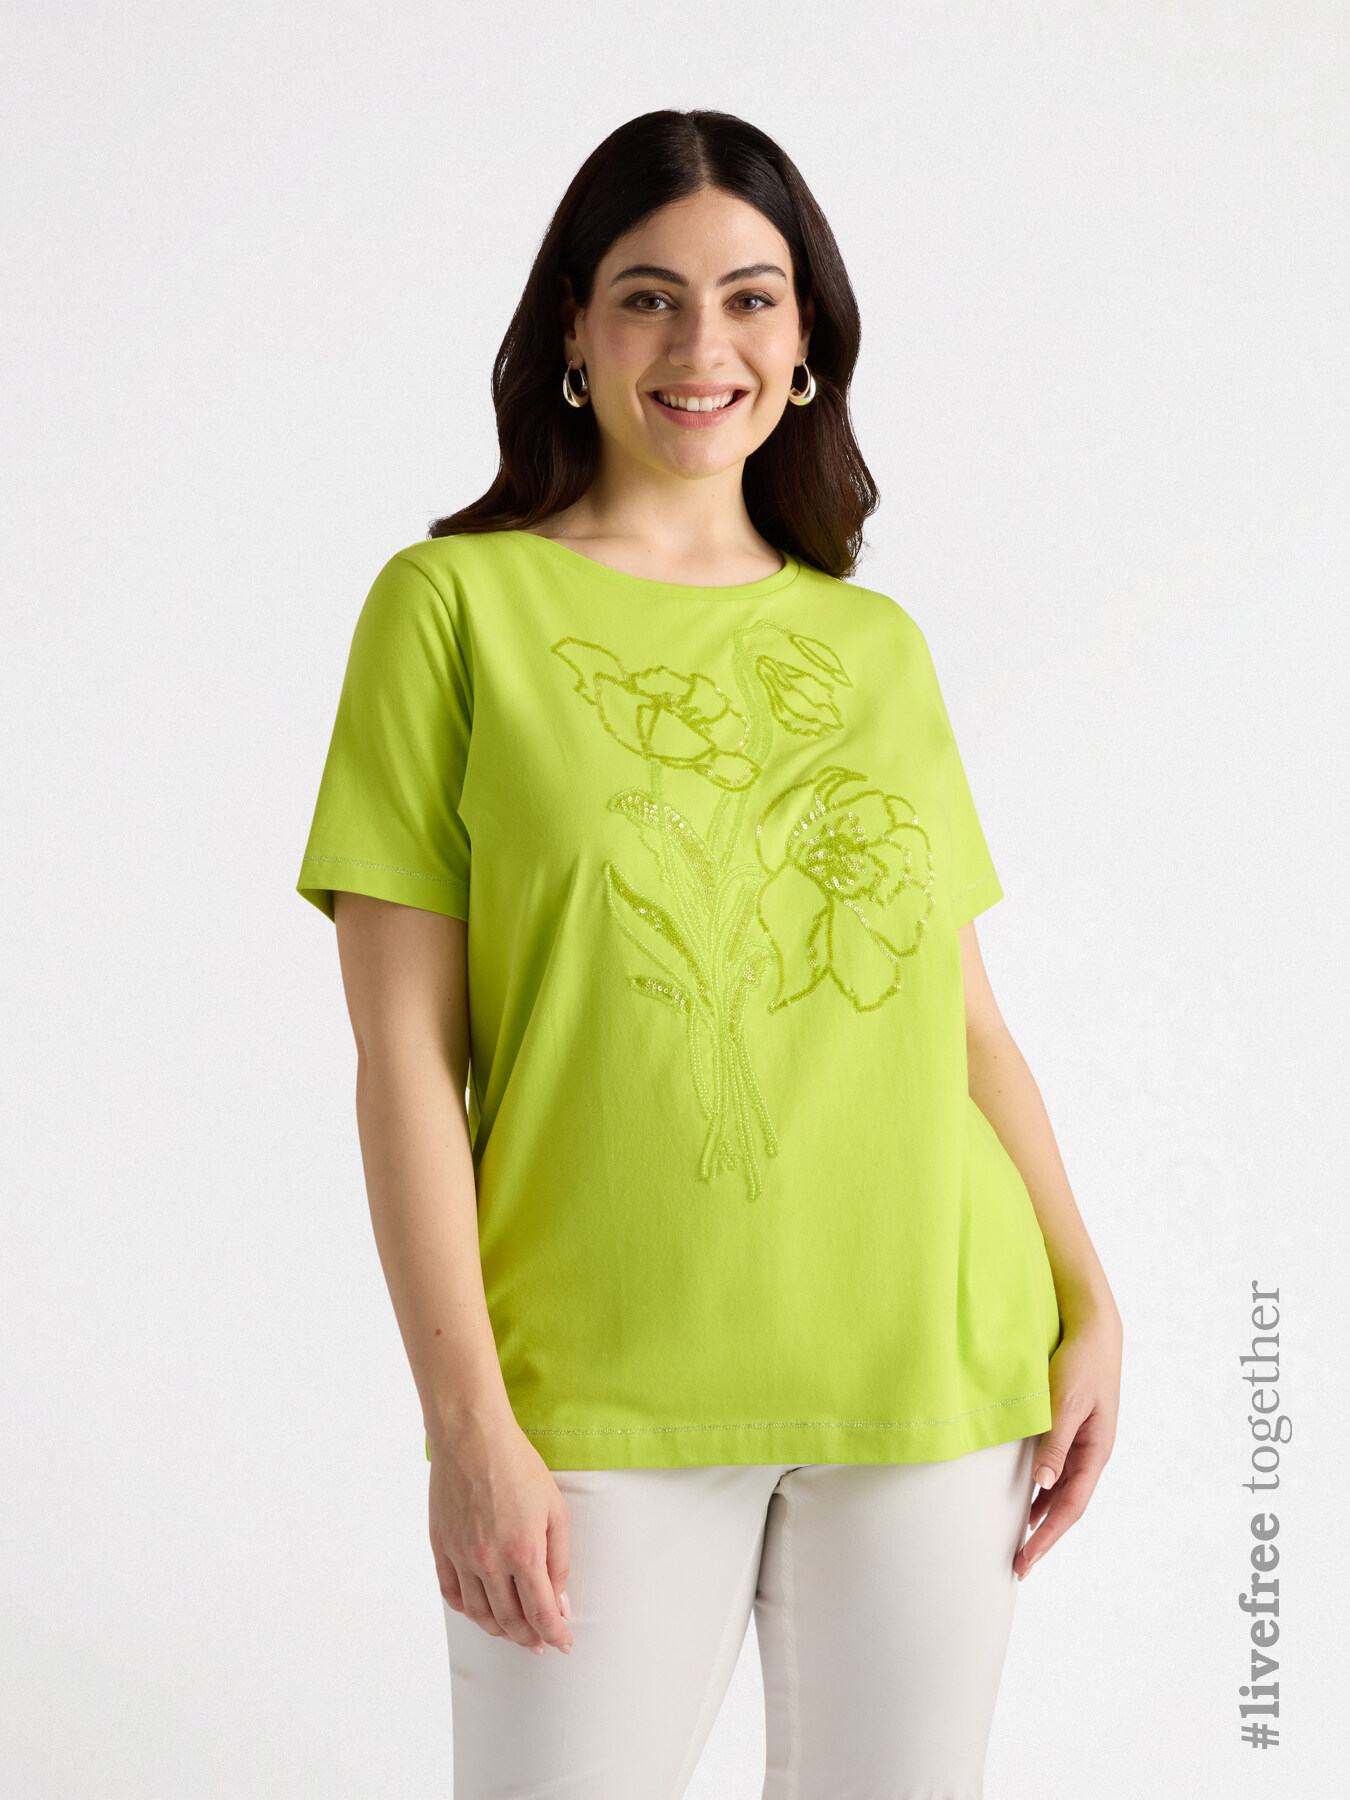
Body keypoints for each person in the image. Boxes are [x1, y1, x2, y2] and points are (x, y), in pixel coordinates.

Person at [296, 108, 1122, 1800]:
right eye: (647, 298)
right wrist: (467, 1427)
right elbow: (403, 1065)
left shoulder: (870, 646)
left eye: (750, 298)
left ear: (806, 343)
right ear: (574, 334)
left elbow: (962, 1025)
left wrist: (1086, 1294)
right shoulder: (450, 610)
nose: (702, 347)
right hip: (594, 1389)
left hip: (929, 1366)